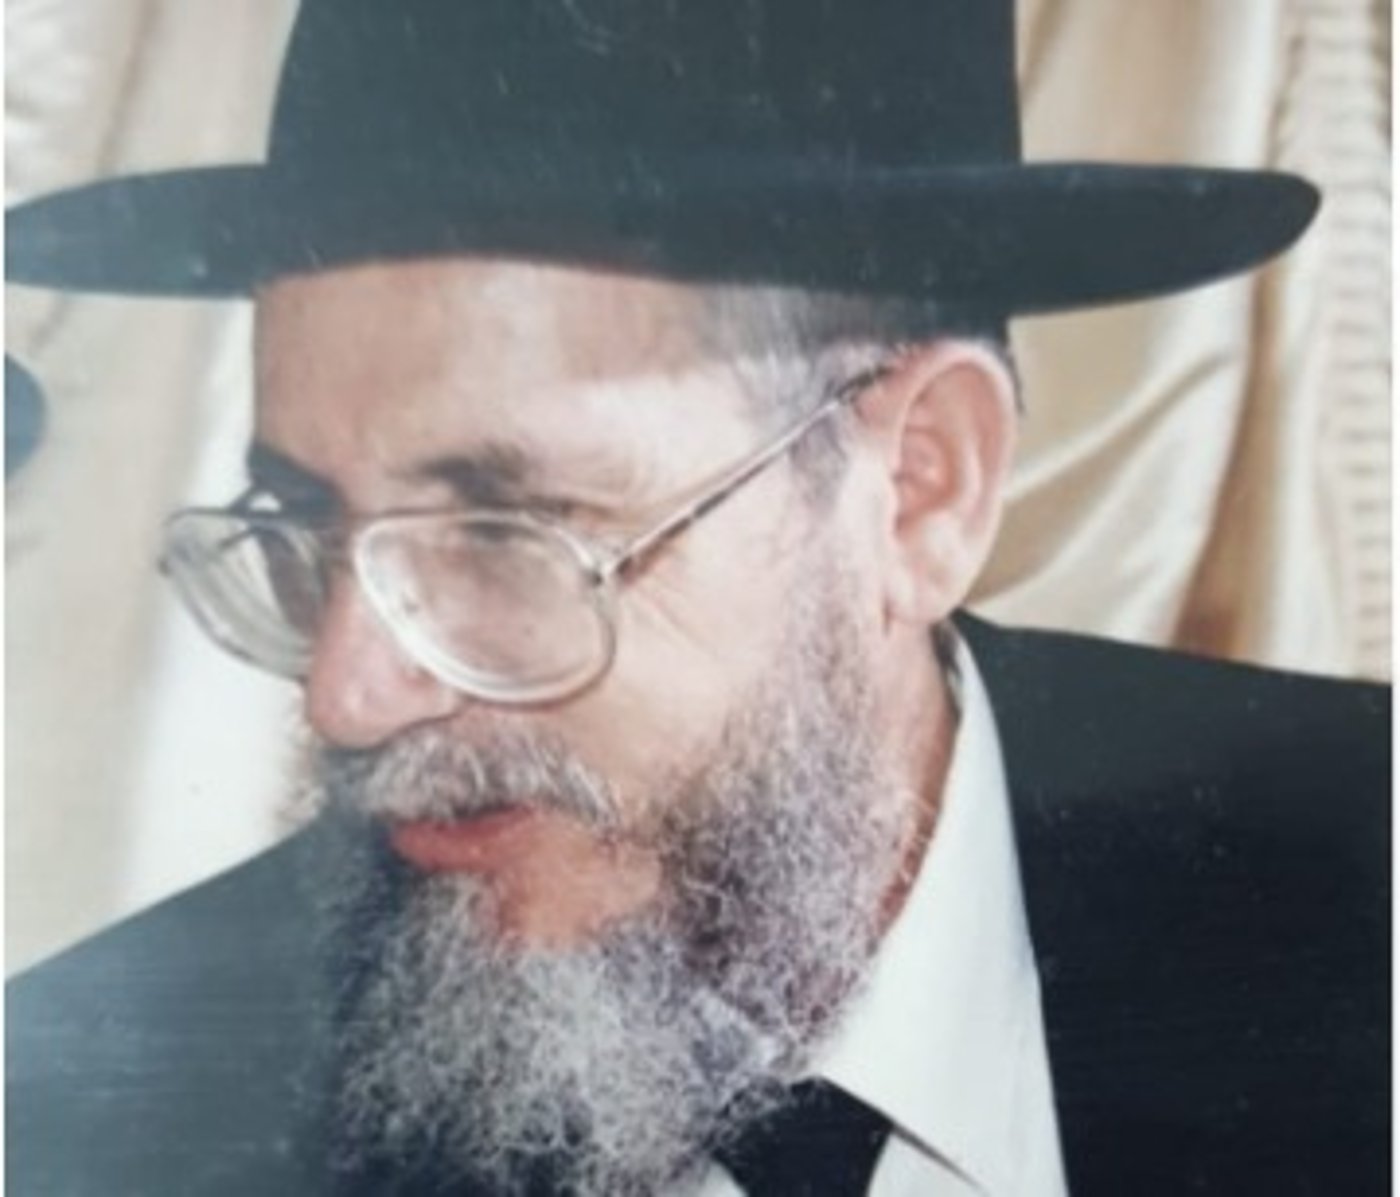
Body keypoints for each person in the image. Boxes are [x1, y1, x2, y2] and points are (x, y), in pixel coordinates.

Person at [6, 1, 1388, 1195]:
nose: (346, 692)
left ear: (921, 488)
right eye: (310, 524)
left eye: (501, 533)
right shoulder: (87, 1128)